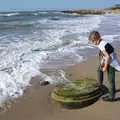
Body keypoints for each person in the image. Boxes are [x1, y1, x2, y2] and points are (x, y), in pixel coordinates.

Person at [89, 30, 120, 102]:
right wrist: (102, 64)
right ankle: (100, 84)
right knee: (99, 69)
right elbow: (105, 54)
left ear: (95, 40)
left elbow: (107, 56)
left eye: (92, 42)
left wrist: (105, 67)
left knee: (110, 80)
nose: (93, 44)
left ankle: (111, 97)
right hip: (109, 60)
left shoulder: (101, 45)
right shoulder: (102, 42)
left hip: (112, 63)